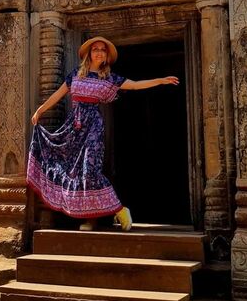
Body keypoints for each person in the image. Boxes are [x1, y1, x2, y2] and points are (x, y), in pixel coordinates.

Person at [27, 36, 179, 231]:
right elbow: (58, 94)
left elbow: (133, 85)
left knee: (90, 170)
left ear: (106, 56)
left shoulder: (108, 78)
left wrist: (160, 81)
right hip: (74, 127)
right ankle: (89, 219)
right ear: (89, 53)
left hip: (93, 127)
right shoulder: (75, 75)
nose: (99, 52)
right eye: (95, 49)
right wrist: (40, 110)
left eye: (103, 50)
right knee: (74, 171)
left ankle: (120, 210)